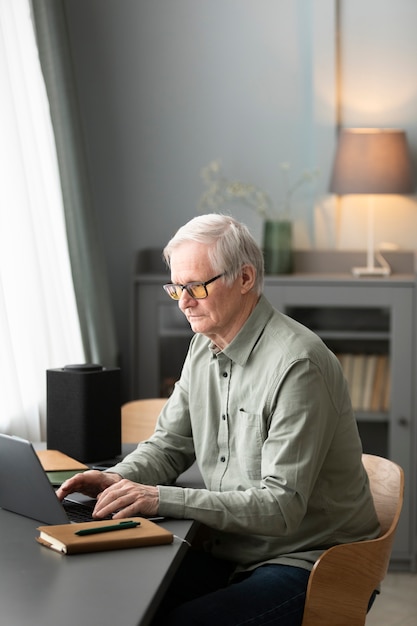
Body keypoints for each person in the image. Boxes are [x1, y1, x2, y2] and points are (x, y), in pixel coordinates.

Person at [57, 213, 380, 625]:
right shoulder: (201, 347)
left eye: (196, 286)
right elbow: (170, 444)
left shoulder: (299, 365)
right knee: (116, 595)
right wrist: (120, 480)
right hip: (231, 546)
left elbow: (281, 508)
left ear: (245, 278)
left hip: (311, 561)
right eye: (177, 288)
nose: (185, 302)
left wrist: (158, 497)